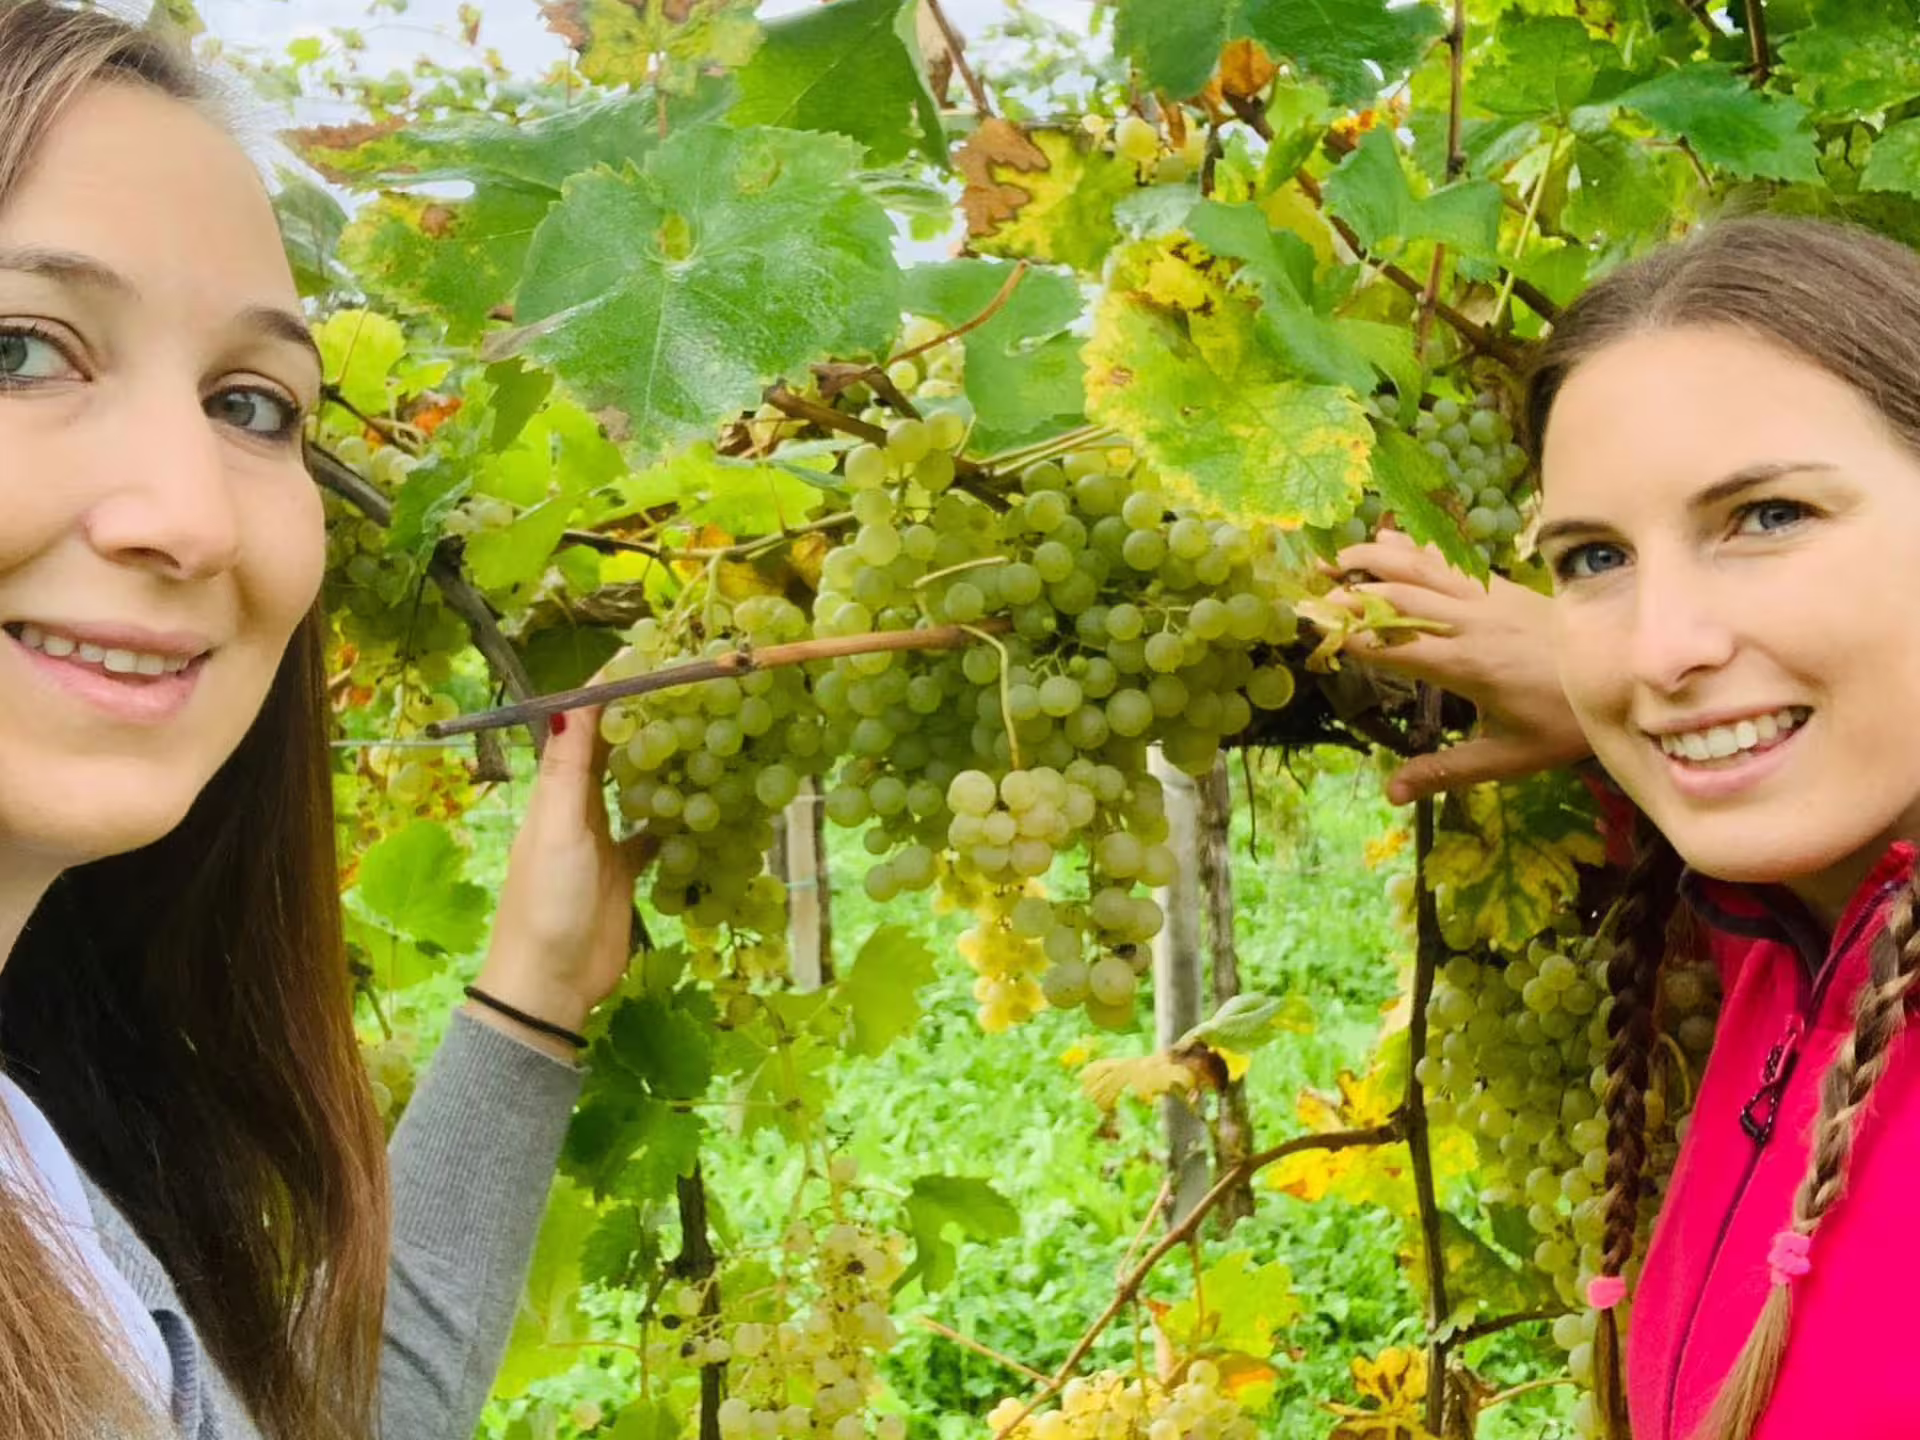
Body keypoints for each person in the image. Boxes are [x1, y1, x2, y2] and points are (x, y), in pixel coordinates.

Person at [0, 4, 645, 1437]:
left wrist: (534, 992)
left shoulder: (35, 1160)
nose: (191, 513)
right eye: (22, 352)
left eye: (252, 402)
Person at [1327, 216, 1920, 1440]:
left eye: (1768, 517)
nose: (1662, 648)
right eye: (1594, 557)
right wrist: (1600, 706)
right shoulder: (1794, 928)